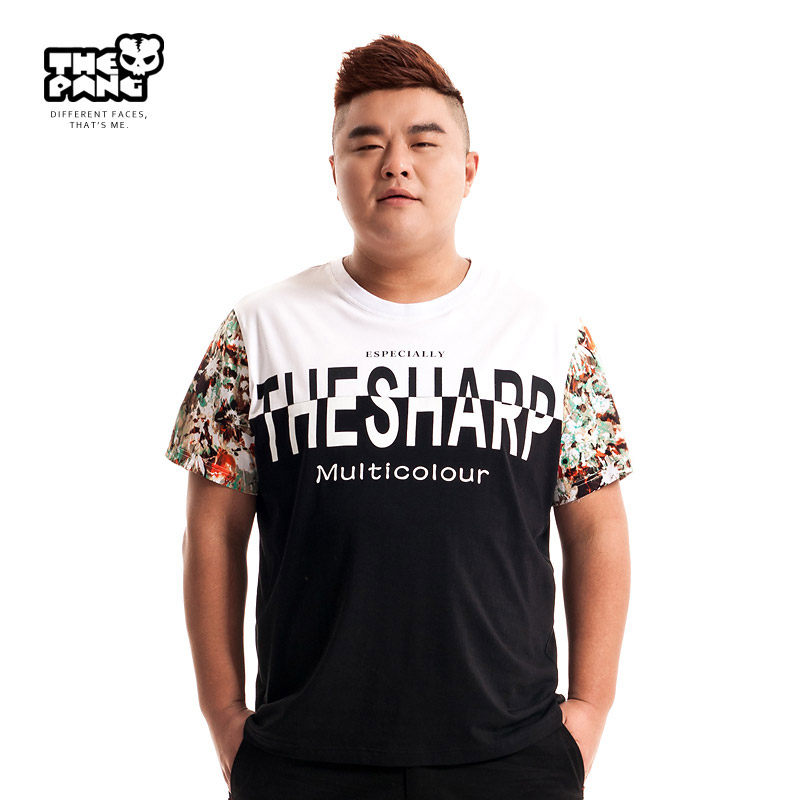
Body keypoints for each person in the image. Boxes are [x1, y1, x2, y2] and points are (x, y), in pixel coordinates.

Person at [165, 34, 633, 800]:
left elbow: (596, 525)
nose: (396, 163)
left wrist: (588, 712)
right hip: (304, 760)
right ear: (335, 170)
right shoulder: (258, 329)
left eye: (423, 140)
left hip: (512, 758)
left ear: (469, 169)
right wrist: (224, 718)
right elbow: (212, 531)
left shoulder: (548, 332)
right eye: (366, 143)